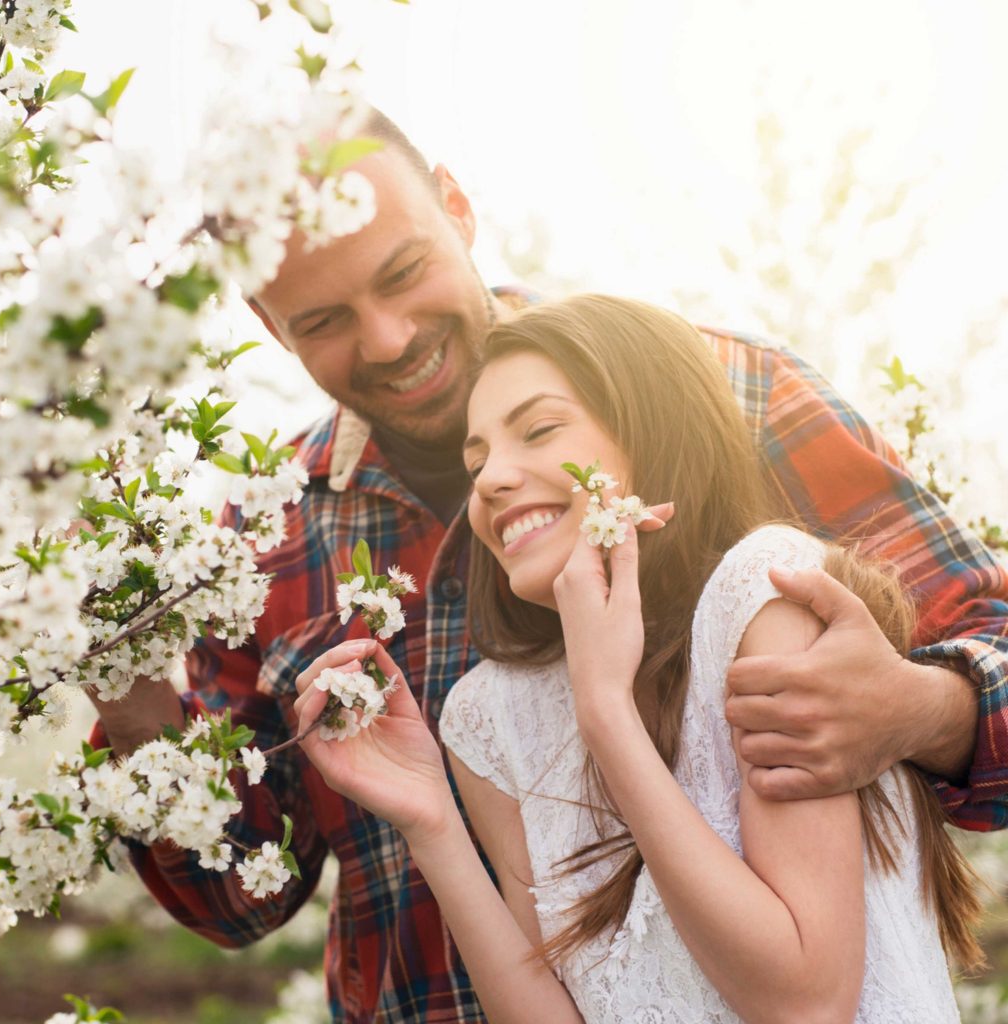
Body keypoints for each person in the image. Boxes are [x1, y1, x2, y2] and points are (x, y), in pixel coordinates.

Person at [90, 110, 1008, 1022]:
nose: (388, 338)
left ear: (456, 206)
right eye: (325, 319)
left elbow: (988, 646)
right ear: (270, 324)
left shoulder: (723, 394)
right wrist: (125, 686)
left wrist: (918, 709)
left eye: (403, 273)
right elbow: (238, 901)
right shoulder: (256, 543)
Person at [292, 294, 984, 1021]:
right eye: (478, 459)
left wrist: (606, 713)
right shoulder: (487, 716)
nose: (492, 477)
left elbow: (806, 1001)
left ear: (652, 434)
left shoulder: (760, 594)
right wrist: (431, 823)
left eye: (539, 429)